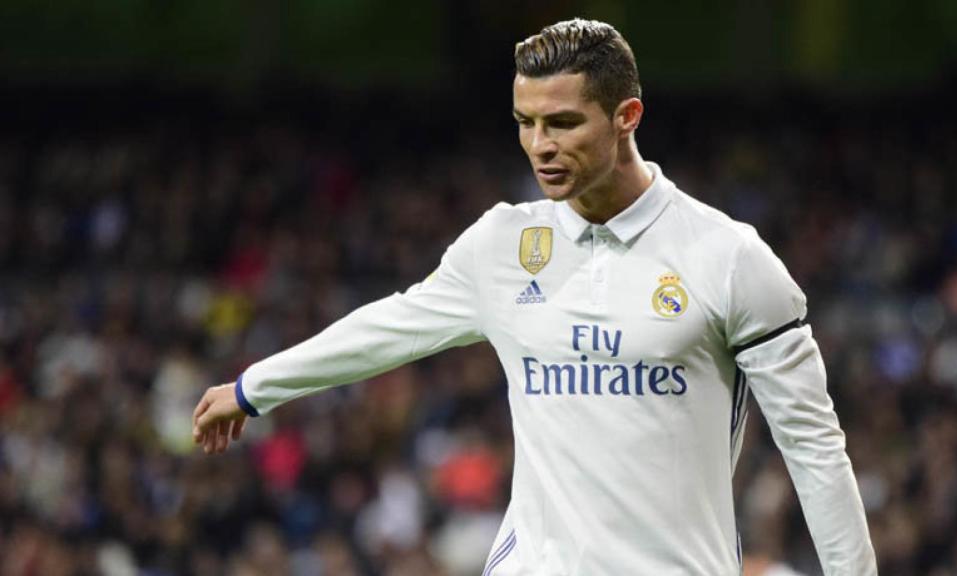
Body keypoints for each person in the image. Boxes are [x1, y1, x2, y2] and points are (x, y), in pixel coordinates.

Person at [193, 18, 877, 575]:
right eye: (526, 123)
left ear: (626, 116)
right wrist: (256, 386)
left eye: (563, 123)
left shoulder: (728, 258)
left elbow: (814, 445)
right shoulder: (501, 245)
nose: (540, 146)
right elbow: (390, 327)